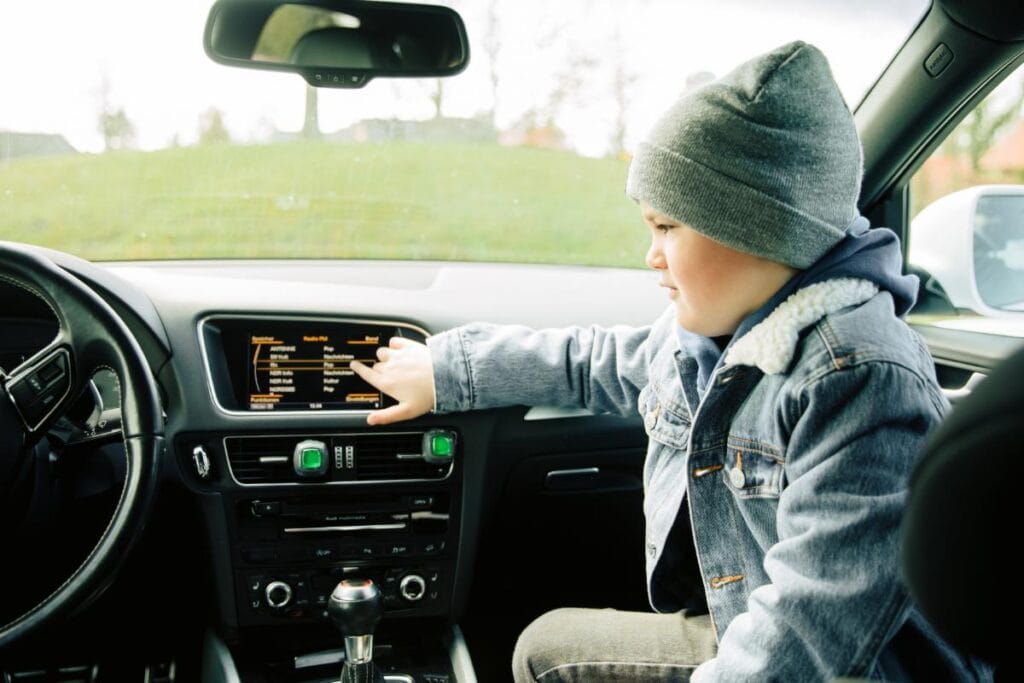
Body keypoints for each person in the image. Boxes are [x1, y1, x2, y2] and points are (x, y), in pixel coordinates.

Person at [351, 41, 993, 682]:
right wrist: (450, 371)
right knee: (546, 647)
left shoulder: (858, 381)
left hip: (867, 668)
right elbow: (594, 361)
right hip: (746, 619)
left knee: (548, 661)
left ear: (759, 228)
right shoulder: (717, 335)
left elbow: (807, 635)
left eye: (667, 228)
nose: (650, 256)